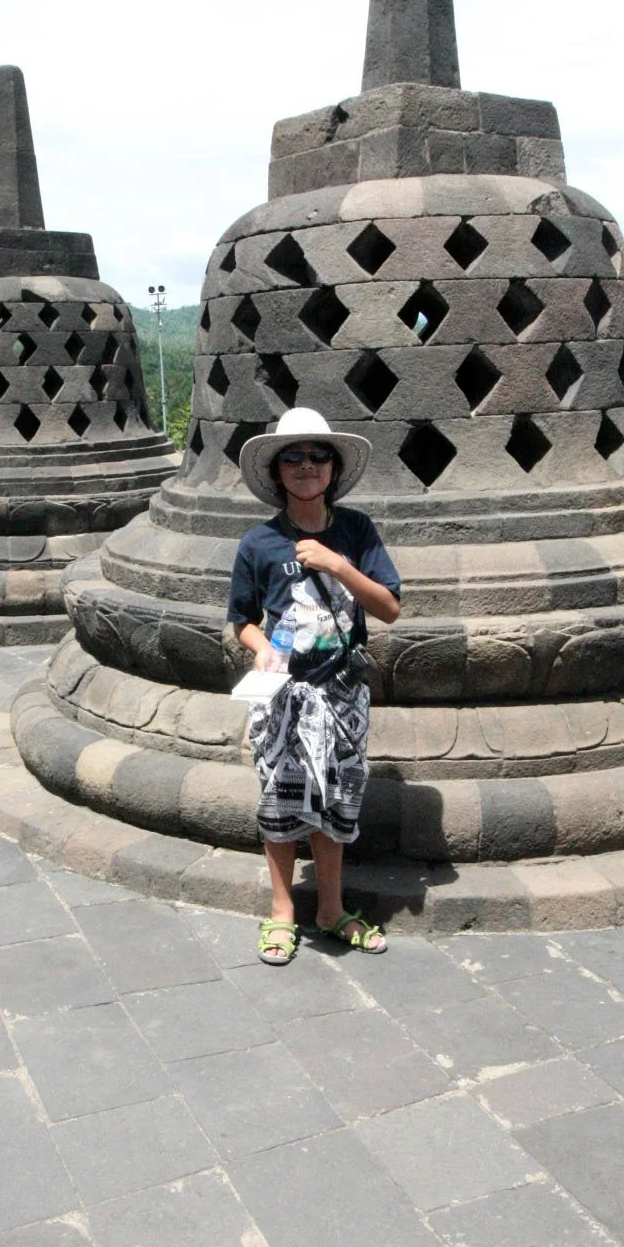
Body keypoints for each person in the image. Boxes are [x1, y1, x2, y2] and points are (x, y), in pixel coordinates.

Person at [230, 408, 401, 966]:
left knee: (335, 802)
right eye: (293, 458)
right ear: (277, 472)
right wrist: (261, 647)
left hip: (342, 694)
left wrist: (337, 565)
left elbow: (389, 607)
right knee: (279, 802)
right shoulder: (259, 543)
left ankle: (330, 909)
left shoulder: (356, 531)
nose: (307, 466)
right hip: (283, 695)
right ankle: (282, 911)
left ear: (334, 469)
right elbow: (241, 619)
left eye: (318, 456)